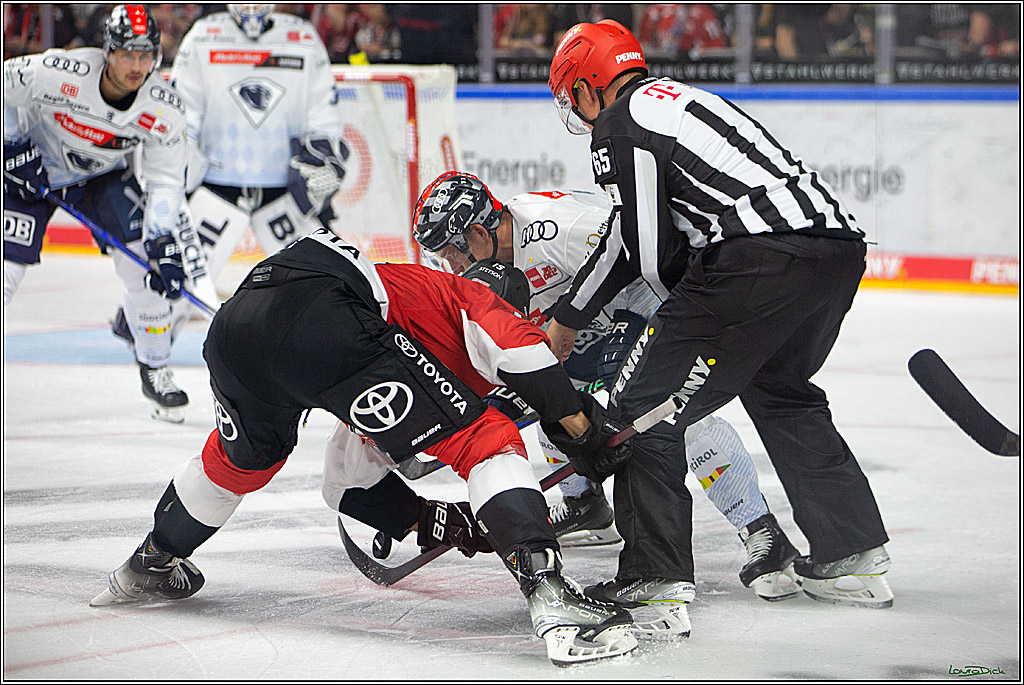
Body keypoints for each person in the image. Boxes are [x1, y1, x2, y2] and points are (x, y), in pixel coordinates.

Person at [91, 227, 639, 667]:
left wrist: (430, 521)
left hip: (237, 327)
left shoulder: (404, 318)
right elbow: (527, 361)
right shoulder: (476, 298)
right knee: (486, 442)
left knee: (243, 461)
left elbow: (344, 481)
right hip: (326, 317)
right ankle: (553, 597)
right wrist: (585, 434)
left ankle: (152, 560)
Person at [545, 20, 892, 614]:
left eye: (572, 92)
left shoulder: (620, 122)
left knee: (639, 409)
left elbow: (643, 250)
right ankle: (849, 555)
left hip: (756, 256)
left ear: (589, 81)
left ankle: (655, 572)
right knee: (781, 391)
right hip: (836, 249)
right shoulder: (684, 98)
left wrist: (571, 317)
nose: (575, 109)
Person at [412, 171, 802, 610]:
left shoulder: (554, 226)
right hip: (584, 334)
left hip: (650, 312)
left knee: (672, 422)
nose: (450, 267)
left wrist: (667, 329)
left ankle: (763, 532)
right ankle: (587, 506)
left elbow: (649, 248)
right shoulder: (486, 263)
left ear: (478, 232)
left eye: (449, 252)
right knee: (550, 407)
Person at [3, 4, 201, 422]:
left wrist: (162, 239)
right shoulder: (59, 71)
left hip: (101, 178)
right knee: (6, 274)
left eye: (145, 55)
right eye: (127, 54)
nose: (136, 65)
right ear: (107, 51)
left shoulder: (164, 108)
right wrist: (12, 145)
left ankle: (156, 368)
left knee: (148, 271)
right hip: (31, 171)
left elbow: (165, 180)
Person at [107, 2, 346, 346]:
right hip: (216, 186)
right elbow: (181, 117)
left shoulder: (302, 37)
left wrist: (324, 159)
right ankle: (151, 359)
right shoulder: (205, 35)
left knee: (321, 286)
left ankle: (329, 358)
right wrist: (173, 179)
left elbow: (323, 115)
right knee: (174, 283)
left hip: (284, 190)